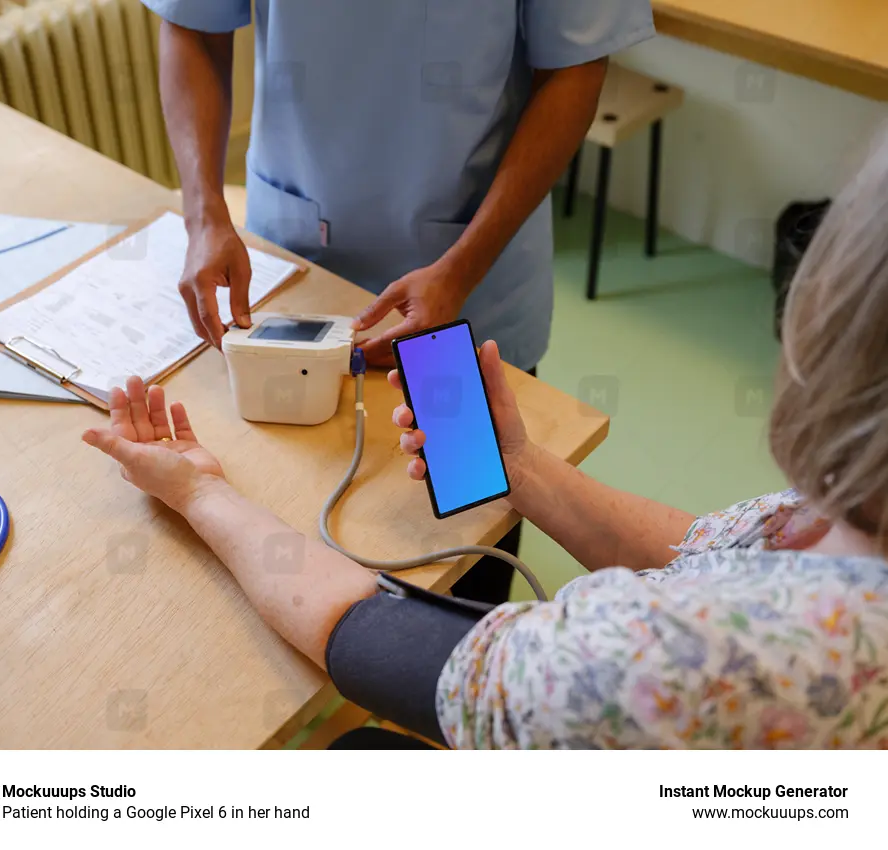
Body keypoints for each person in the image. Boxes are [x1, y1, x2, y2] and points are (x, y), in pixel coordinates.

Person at [84, 136, 888, 749]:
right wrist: (522, 471)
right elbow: (705, 552)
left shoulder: (685, 657)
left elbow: (361, 637)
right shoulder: (836, 533)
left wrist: (198, 489)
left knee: (352, 749)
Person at [143, 0, 656, 604]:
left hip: (464, 270)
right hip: (297, 262)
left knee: (467, 547)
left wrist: (461, 269)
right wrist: (204, 215)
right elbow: (192, 25)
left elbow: (575, 70)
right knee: (287, 528)